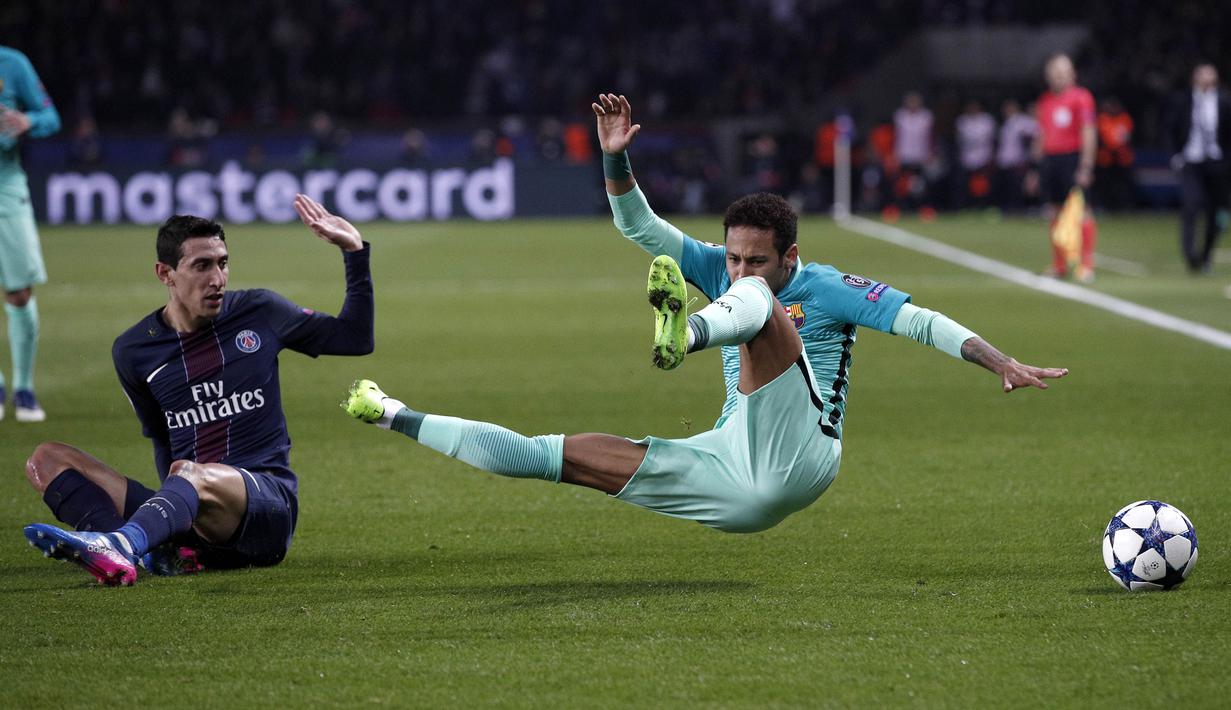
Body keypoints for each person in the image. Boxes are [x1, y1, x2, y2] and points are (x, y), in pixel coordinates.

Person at [341, 93, 1067, 536]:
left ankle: (679, 335)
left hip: (802, 451)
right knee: (550, 454)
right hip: (734, 469)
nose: (741, 269)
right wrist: (615, 161)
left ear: (789, 256)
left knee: (757, 310)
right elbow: (639, 228)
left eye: (757, 259)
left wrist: (998, 359)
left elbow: (922, 322)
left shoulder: (820, 284)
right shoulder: (725, 268)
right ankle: (396, 413)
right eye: (732, 258)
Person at [22, 195, 374, 586]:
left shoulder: (260, 312)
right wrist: (172, 517)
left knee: (190, 472)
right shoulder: (134, 351)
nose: (218, 278)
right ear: (165, 273)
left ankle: (124, 543)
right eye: (201, 265)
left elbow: (355, 338)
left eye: (222, 263)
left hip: (265, 509)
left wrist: (353, 251)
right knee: (47, 459)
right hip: (189, 503)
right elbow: (161, 437)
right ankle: (130, 550)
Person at [0, 45, 61, 422]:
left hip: (6, 183)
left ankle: (23, 387)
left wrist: (28, 122)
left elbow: (50, 117)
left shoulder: (13, 62)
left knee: (19, 290)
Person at [1033, 54, 1098, 282]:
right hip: (1051, 160)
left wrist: (1086, 165)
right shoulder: (1045, 101)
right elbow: (1041, 134)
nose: (1058, 77)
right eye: (1054, 73)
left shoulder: (1082, 98)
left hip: (1072, 158)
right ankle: (1059, 264)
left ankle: (1086, 264)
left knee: (1081, 211)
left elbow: (1088, 131)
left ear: (1072, 74)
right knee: (1054, 212)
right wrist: (1035, 167)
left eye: (1063, 72)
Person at [1165, 63, 1231, 275]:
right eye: (1202, 74)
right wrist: (1175, 155)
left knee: (1216, 212)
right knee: (1191, 205)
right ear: (1194, 78)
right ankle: (1190, 254)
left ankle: (1206, 255)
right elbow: (1169, 128)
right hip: (1191, 160)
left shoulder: (1224, 101)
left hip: (1216, 162)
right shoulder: (1182, 101)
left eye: (1210, 75)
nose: (1206, 79)